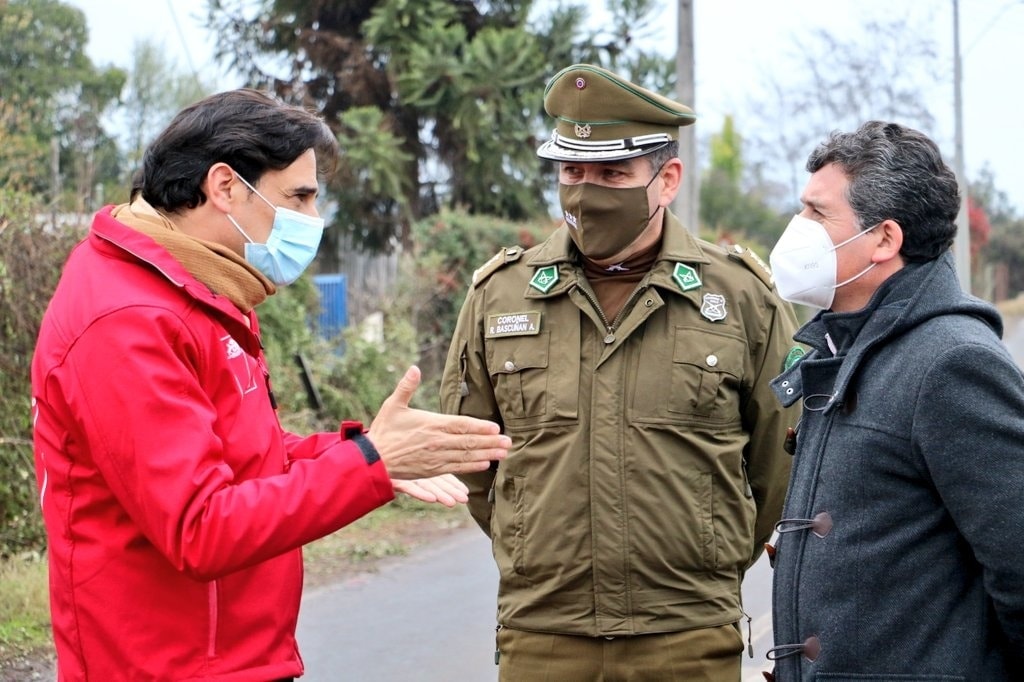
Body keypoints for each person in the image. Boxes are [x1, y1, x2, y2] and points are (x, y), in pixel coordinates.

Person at [30, 88, 511, 681]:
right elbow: (200, 528)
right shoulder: (128, 319)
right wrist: (369, 463)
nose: (312, 220)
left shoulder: (203, 294)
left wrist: (370, 450)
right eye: (299, 197)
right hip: (165, 668)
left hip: (233, 659)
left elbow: (247, 460)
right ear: (225, 186)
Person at [439, 63, 799, 681]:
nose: (586, 191)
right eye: (572, 171)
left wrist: (712, 557)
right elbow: (469, 455)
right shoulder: (501, 295)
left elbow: (782, 460)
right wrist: (531, 547)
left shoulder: (742, 298)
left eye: (612, 173)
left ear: (667, 181)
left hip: (686, 633)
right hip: (543, 633)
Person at [765, 120, 1024, 680]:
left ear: (884, 239)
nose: (798, 228)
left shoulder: (952, 362)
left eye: (817, 213)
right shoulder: (848, 342)